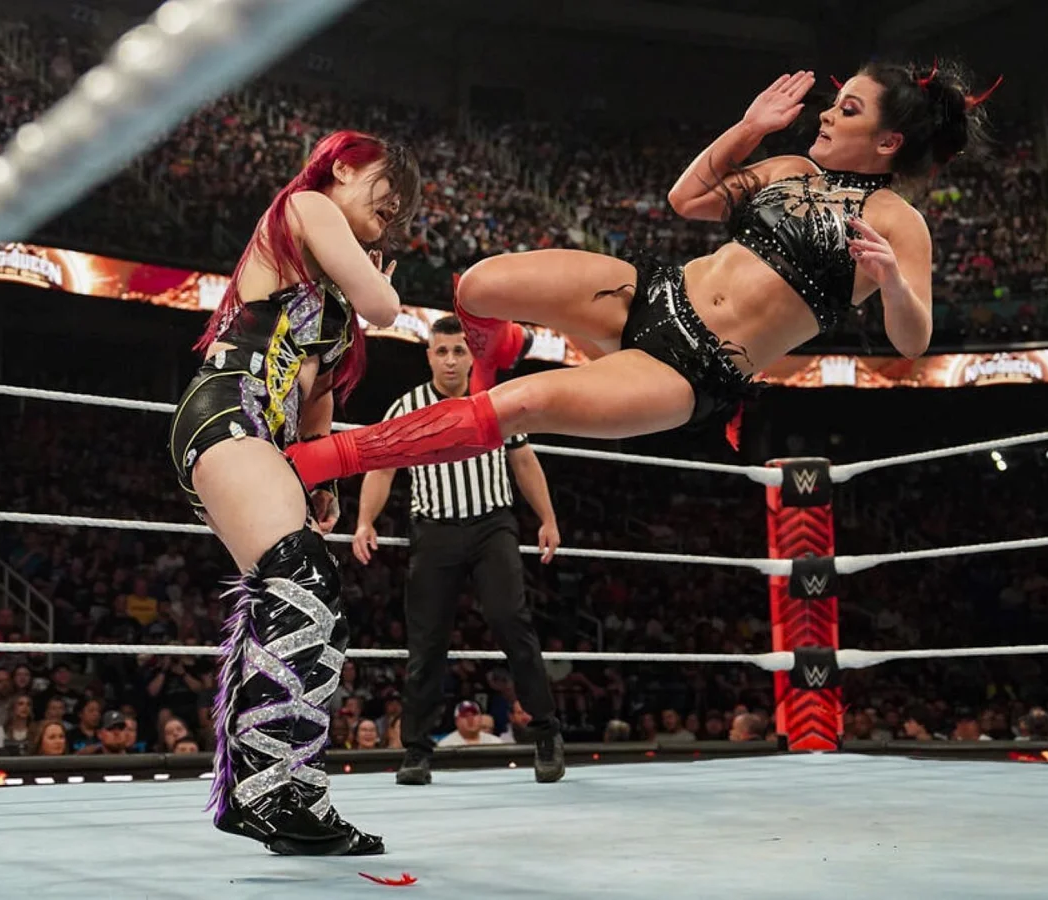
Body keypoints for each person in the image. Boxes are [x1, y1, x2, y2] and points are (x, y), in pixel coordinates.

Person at [283, 62, 995, 489]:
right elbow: (687, 199)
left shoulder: (900, 222)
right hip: (652, 293)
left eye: (848, 109)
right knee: (478, 285)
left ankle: (319, 462)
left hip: (691, 368)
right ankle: (497, 350)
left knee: (519, 405)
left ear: (889, 141)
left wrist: (891, 282)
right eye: (836, 102)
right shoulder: (789, 167)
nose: (827, 114)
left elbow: (912, 343)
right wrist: (750, 127)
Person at [166, 129, 419, 857]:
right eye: (386, 195)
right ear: (342, 166)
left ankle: (293, 794)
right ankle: (263, 791)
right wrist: (375, 280)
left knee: (314, 605)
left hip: (266, 439)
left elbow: (316, 402)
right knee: (302, 583)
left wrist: (323, 481)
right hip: (227, 409)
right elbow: (386, 306)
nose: (390, 215)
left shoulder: (326, 297)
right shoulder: (306, 209)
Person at [351, 315, 565, 786]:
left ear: (472, 356)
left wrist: (547, 518)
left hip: (493, 526)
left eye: (459, 351)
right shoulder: (407, 407)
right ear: (429, 356)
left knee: (512, 621)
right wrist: (365, 520)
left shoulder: (493, 401)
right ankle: (416, 750)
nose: (450, 360)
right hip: (434, 532)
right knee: (426, 640)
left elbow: (523, 460)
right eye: (442, 351)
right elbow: (382, 468)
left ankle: (546, 732)